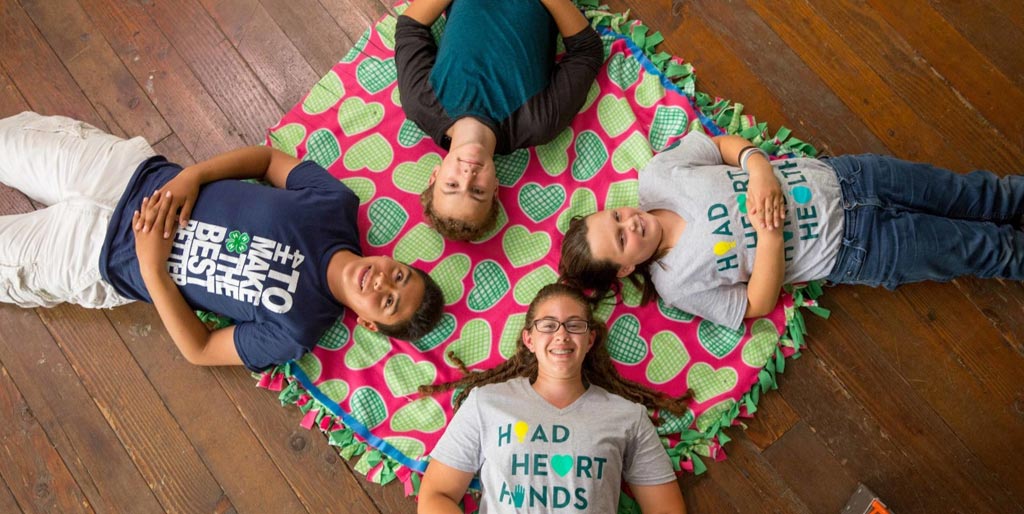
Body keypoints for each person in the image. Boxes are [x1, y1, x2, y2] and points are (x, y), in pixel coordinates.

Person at [0, 112, 444, 371]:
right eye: (399, 276)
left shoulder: (298, 330)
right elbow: (269, 160)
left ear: (368, 323)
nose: (382, 282)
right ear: (394, 258)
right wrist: (192, 176)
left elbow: (202, 350)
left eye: (387, 303)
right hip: (125, 173)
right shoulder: (337, 205)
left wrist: (153, 270)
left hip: (97, 258)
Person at [559, 129, 1024, 328]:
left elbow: (720, 146)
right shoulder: (678, 284)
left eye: (616, 216)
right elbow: (756, 304)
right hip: (858, 249)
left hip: (849, 177)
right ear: (624, 270)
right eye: (622, 239)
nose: (630, 222)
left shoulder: (658, 177)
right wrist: (770, 236)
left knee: (981, 194)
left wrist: (757, 165)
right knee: (985, 250)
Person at [417, 283, 688, 513]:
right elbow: (435, 495)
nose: (561, 335)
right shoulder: (485, 403)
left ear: (590, 339)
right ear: (529, 340)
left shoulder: (629, 417)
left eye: (574, 325)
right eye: (548, 325)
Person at [395, 0, 604, 241]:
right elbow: (587, 52)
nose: (468, 174)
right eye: (477, 191)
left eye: (452, 185)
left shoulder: (421, 103)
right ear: (494, 189)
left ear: (435, 176)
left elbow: (410, 27)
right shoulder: (538, 122)